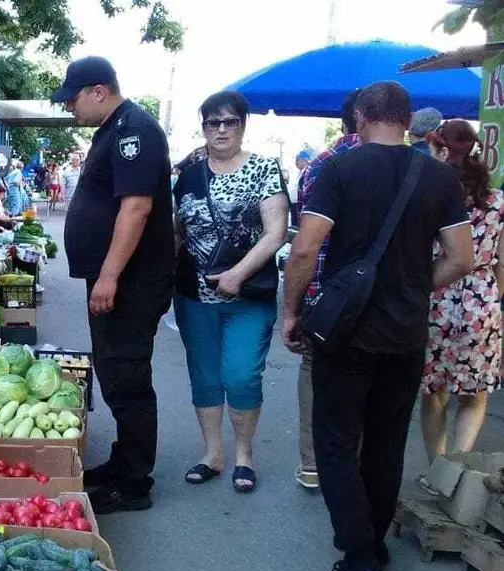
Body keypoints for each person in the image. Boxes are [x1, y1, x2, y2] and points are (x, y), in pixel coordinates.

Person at [282, 80, 473, 571]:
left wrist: (291, 312)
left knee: (337, 442)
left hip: (348, 332)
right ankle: (375, 547)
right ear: (408, 120)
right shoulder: (438, 176)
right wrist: (414, 285)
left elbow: (304, 251)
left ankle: (359, 560)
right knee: (387, 444)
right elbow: (461, 258)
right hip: (407, 333)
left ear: (363, 117)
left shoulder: (340, 169)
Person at [51, 56, 175, 513]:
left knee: (127, 374)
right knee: (112, 370)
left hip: (131, 282)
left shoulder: (134, 131)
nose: (70, 110)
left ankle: (134, 482)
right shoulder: (112, 128)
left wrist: (109, 275)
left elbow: (137, 208)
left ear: (98, 91)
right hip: (115, 280)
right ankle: (124, 462)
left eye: (73, 99)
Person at [172, 90, 289, 493]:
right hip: (193, 295)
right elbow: (177, 230)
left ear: (242, 125)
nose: (220, 129)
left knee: (240, 375)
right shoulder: (188, 174)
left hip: (247, 296)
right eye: (212, 122)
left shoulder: (263, 169)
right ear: (203, 127)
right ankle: (212, 455)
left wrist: (237, 274)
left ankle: (243, 456)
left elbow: (276, 232)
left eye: (229, 122)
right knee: (203, 376)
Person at [290, 88, 363, 490]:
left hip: (326, 296)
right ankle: (355, 463)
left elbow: (306, 248)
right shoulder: (412, 166)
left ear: (344, 120)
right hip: (383, 300)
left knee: (315, 370)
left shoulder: (319, 165)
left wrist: (293, 309)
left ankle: (313, 464)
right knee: (369, 376)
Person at [420, 120, 504, 465]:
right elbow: (502, 264)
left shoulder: (429, 196)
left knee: (434, 392)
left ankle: (437, 468)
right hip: (482, 302)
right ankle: (454, 469)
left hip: (435, 298)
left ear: (441, 149)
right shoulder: (497, 202)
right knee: (474, 395)